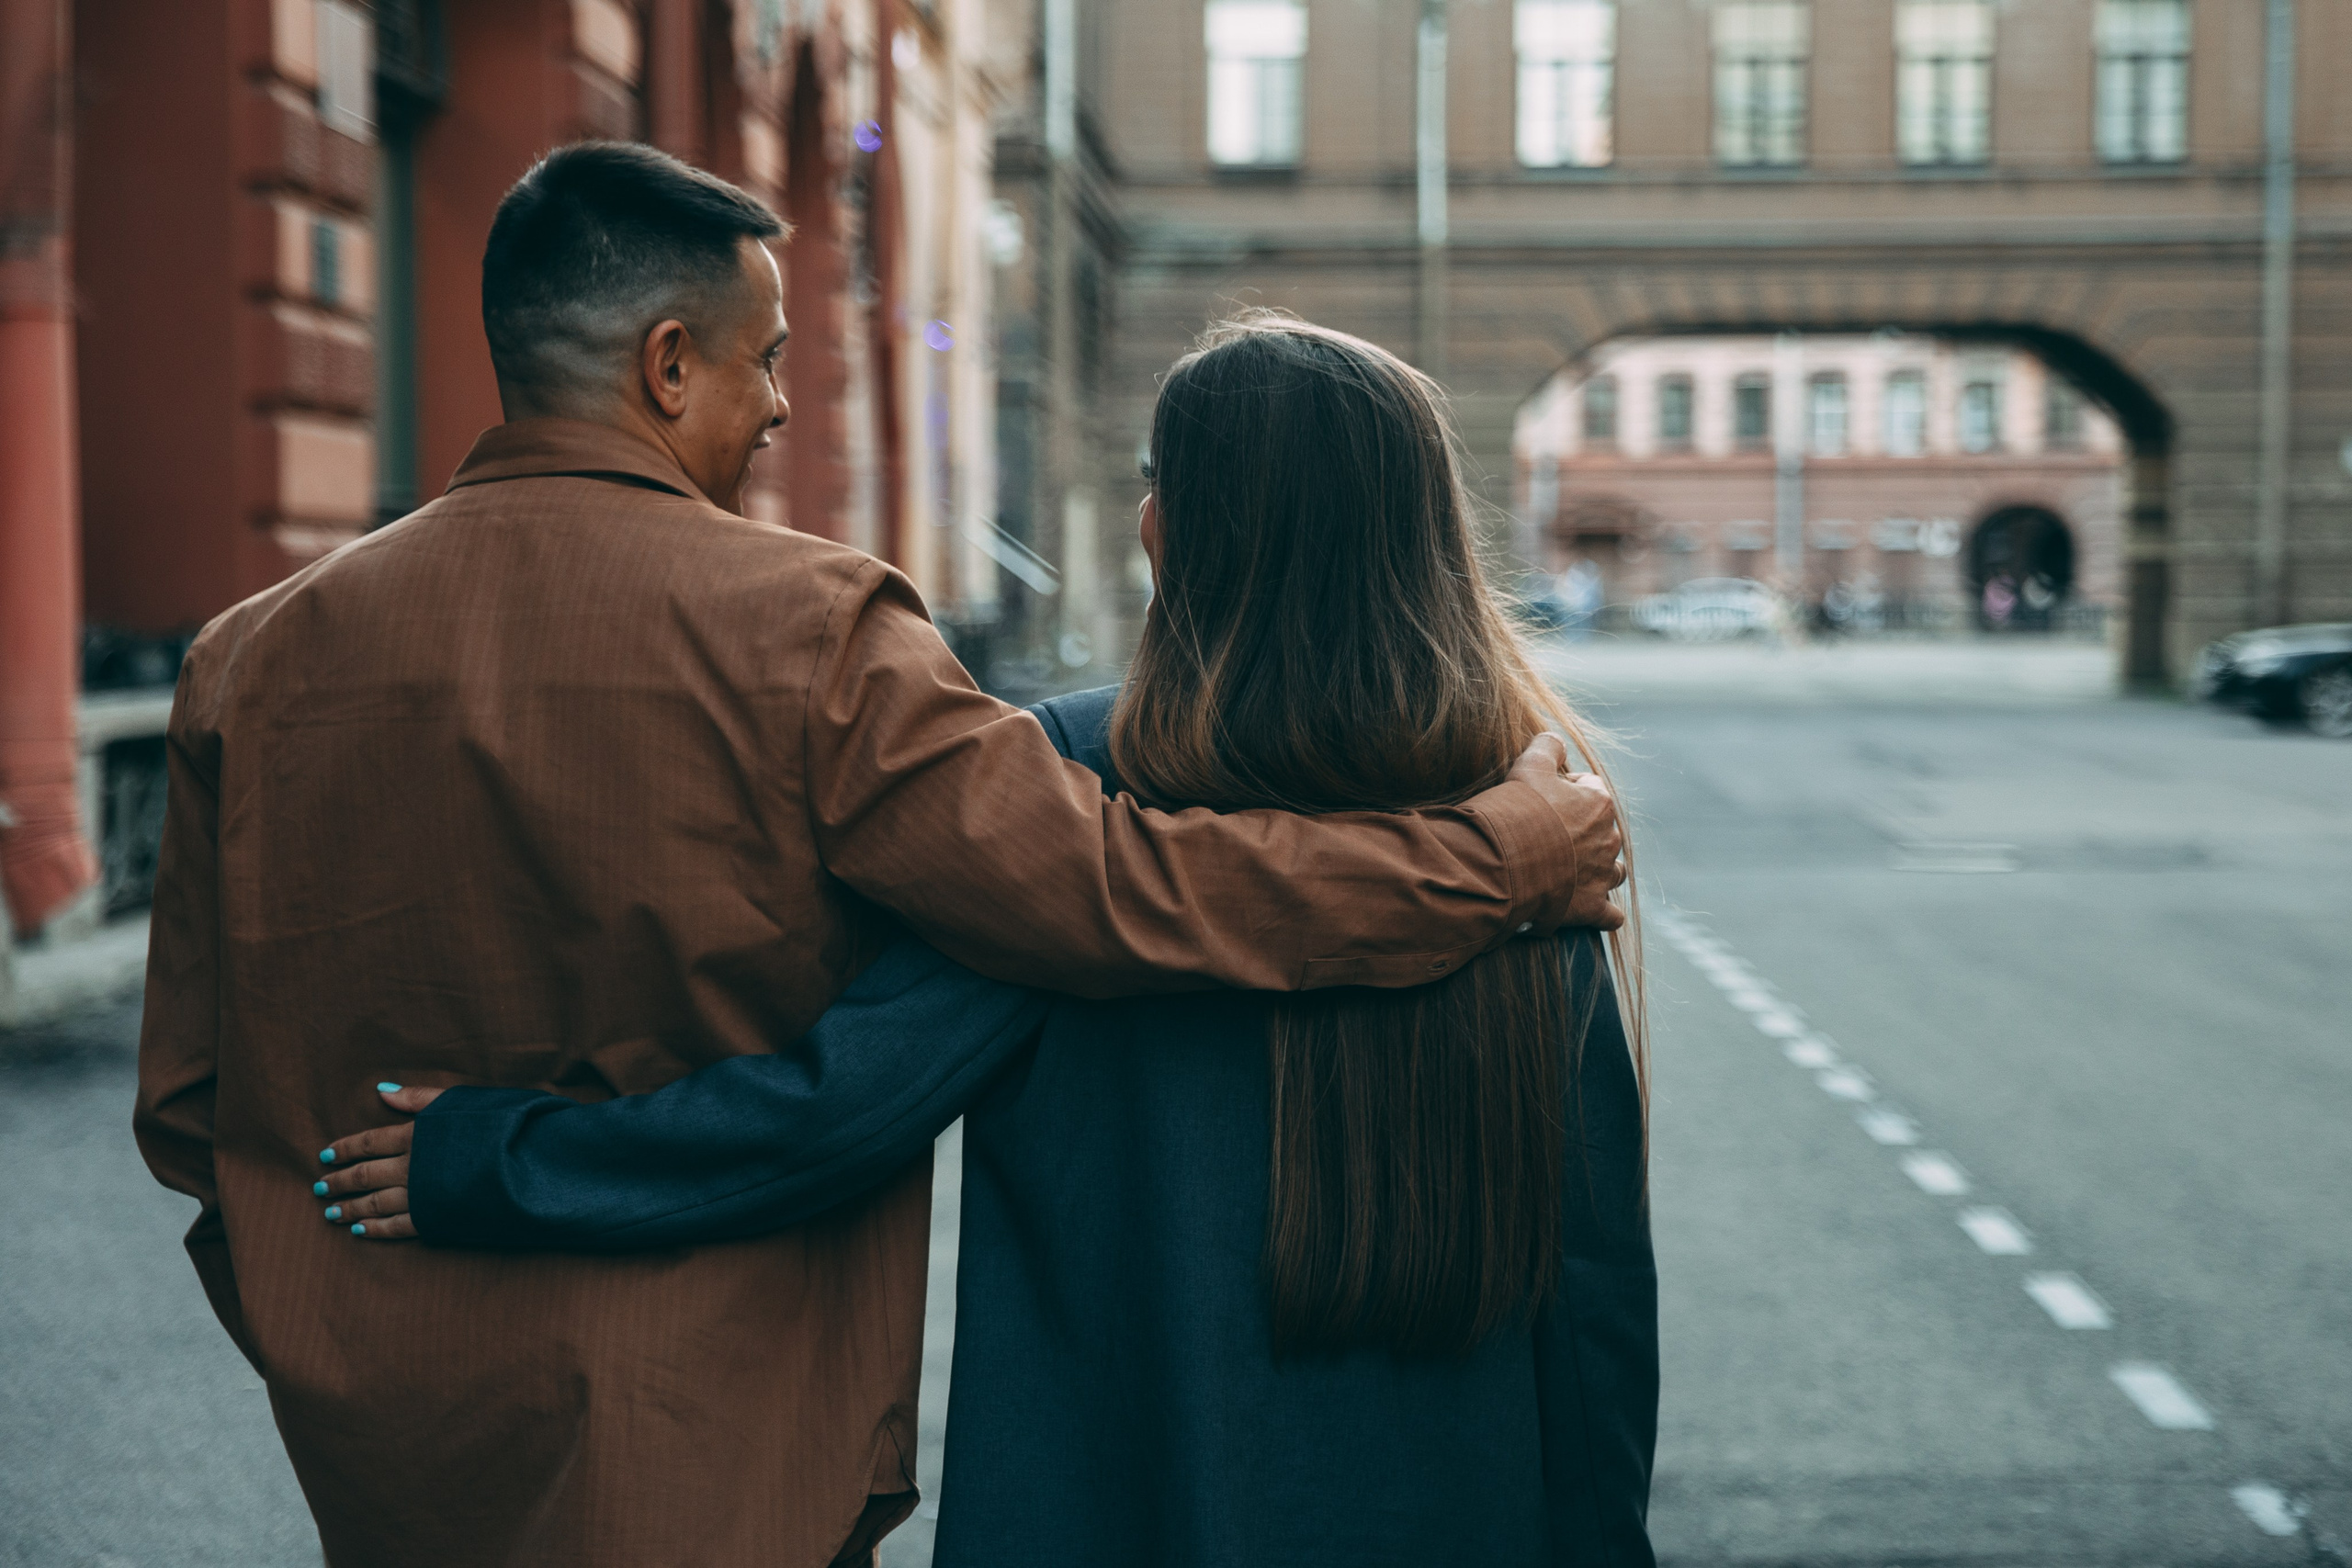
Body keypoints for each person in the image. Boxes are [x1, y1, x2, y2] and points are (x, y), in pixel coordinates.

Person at [130, 149, 1625, 1568]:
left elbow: (196, 1104)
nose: (785, 404)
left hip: (396, 1444)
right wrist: (1486, 868)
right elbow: (1110, 898)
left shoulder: (242, 659)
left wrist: (345, 1311)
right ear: (667, 365)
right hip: (734, 1448)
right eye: (769, 360)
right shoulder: (819, 633)